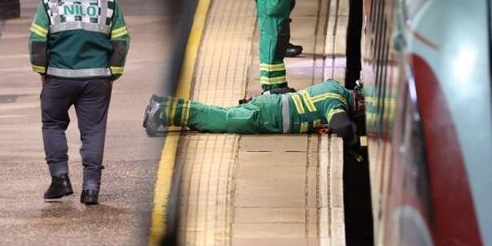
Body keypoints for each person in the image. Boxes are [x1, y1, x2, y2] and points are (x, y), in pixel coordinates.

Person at [29, 0, 130, 205]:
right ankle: (91, 189)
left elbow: (38, 40)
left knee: (53, 125)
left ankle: (60, 179)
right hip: (97, 78)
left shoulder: (50, 1)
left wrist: (42, 72)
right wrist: (111, 74)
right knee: (94, 131)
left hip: (58, 77)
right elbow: (121, 41)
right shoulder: (109, 1)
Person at [141, 79, 364, 145]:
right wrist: (354, 138)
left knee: (220, 112)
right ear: (359, 103)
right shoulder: (335, 101)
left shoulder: (333, 86)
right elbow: (341, 126)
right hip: (268, 117)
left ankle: (165, 104)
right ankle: (164, 112)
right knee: (221, 120)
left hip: (270, 105)